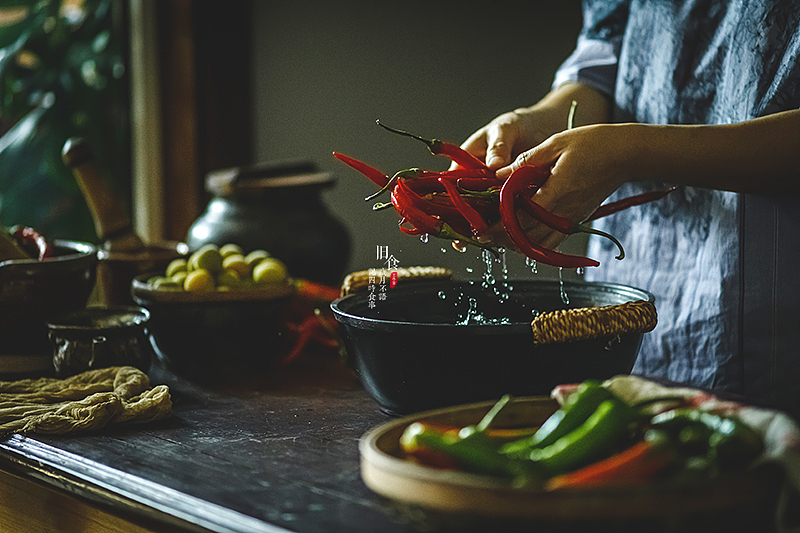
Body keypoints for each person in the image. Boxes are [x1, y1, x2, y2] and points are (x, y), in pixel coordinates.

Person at [459, 1, 800, 416]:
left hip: (772, 312)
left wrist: (629, 152)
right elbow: (604, 61)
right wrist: (542, 120)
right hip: (633, 279)